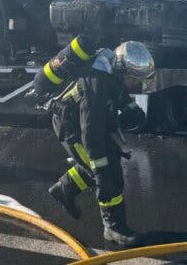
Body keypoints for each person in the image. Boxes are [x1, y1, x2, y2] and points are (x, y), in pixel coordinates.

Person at [47, 41, 154, 247]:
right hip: (73, 129)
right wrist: (101, 174)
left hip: (86, 124)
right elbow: (91, 134)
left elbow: (121, 97)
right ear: (124, 72)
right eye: (134, 79)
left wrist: (133, 112)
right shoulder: (95, 84)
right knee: (107, 172)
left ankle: (64, 189)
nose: (136, 84)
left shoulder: (112, 73)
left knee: (102, 163)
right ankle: (113, 227)